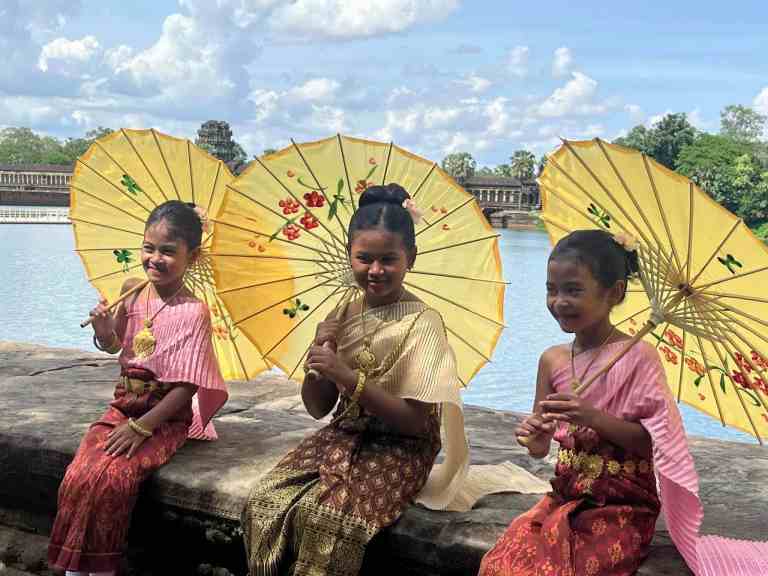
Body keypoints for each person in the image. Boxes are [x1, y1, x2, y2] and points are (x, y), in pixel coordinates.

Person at [479, 229, 768, 576]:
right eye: (551, 290)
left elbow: (653, 443)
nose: (559, 301)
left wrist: (593, 417)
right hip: (566, 495)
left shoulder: (640, 357)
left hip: (622, 502)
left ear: (614, 293)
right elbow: (541, 447)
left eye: (573, 290)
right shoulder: (551, 360)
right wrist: (532, 435)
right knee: (504, 561)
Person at [242, 183, 475, 576]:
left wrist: (347, 377)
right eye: (364, 258)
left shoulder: (423, 323)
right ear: (350, 256)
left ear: (410, 259)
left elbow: (416, 421)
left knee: (328, 519)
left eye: (389, 259)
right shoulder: (343, 311)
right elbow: (318, 407)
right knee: (264, 499)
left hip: (401, 447)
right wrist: (320, 356)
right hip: (344, 434)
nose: (375, 270)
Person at [48, 200, 228, 576]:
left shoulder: (193, 311)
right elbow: (116, 346)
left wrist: (142, 427)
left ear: (191, 257)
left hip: (163, 416)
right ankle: (72, 568)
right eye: (148, 248)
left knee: (115, 479)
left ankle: (98, 570)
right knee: (80, 473)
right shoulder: (131, 290)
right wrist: (103, 331)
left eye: (167, 251)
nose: (155, 259)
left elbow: (187, 386)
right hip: (123, 405)